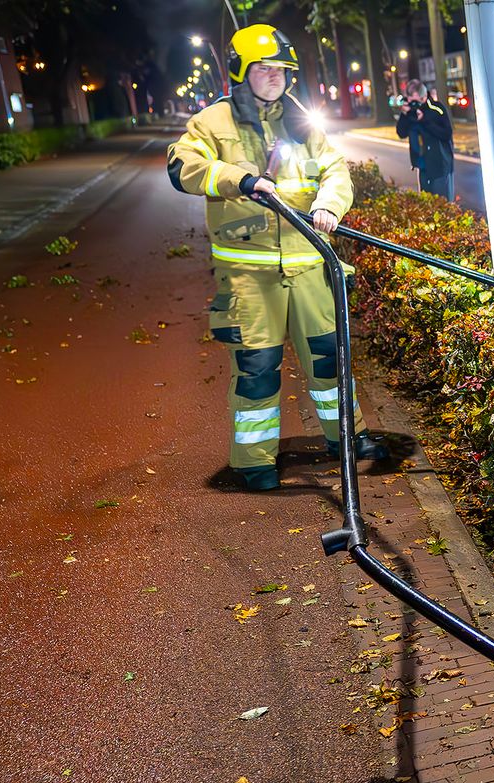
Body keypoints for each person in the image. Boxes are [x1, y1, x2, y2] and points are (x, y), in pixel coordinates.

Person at [166, 23, 387, 491]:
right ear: (241, 72)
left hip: (309, 266)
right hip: (249, 277)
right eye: (263, 69)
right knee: (257, 370)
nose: (274, 77)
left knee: (329, 360)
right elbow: (181, 166)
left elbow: (334, 169)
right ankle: (253, 462)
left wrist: (329, 203)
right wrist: (237, 179)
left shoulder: (302, 120)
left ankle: (347, 438)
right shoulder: (212, 123)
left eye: (282, 69)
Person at [395, 80, 455, 200]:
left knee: (442, 205)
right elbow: (401, 133)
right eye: (412, 100)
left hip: (440, 164)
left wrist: (424, 120)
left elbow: (446, 134)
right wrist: (404, 114)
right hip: (422, 165)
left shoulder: (437, 109)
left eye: (418, 100)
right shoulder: (409, 113)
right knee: (426, 203)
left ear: (424, 96)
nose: (415, 104)